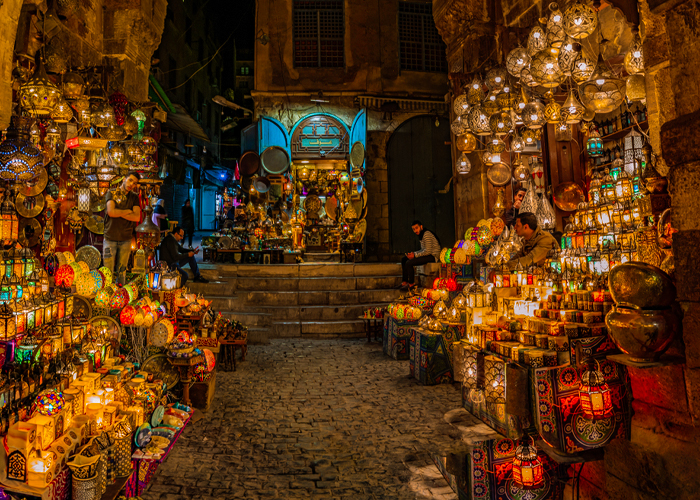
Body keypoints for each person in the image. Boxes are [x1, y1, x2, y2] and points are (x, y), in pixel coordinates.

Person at [103, 172, 141, 285]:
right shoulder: (111, 193)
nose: (131, 185)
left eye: (134, 183)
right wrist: (128, 212)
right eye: (130, 180)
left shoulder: (134, 197)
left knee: (122, 272)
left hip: (126, 239)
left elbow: (137, 217)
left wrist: (118, 213)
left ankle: (120, 297)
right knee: (107, 272)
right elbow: (111, 212)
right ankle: (106, 296)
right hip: (110, 237)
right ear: (124, 179)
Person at [400, 220, 441, 290]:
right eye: (413, 229)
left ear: (421, 227)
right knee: (404, 259)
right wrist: (413, 253)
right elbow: (423, 250)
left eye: (416, 228)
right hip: (428, 254)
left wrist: (415, 255)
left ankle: (411, 284)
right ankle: (404, 282)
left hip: (433, 256)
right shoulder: (421, 235)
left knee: (409, 263)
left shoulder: (426, 234)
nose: (415, 230)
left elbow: (428, 251)